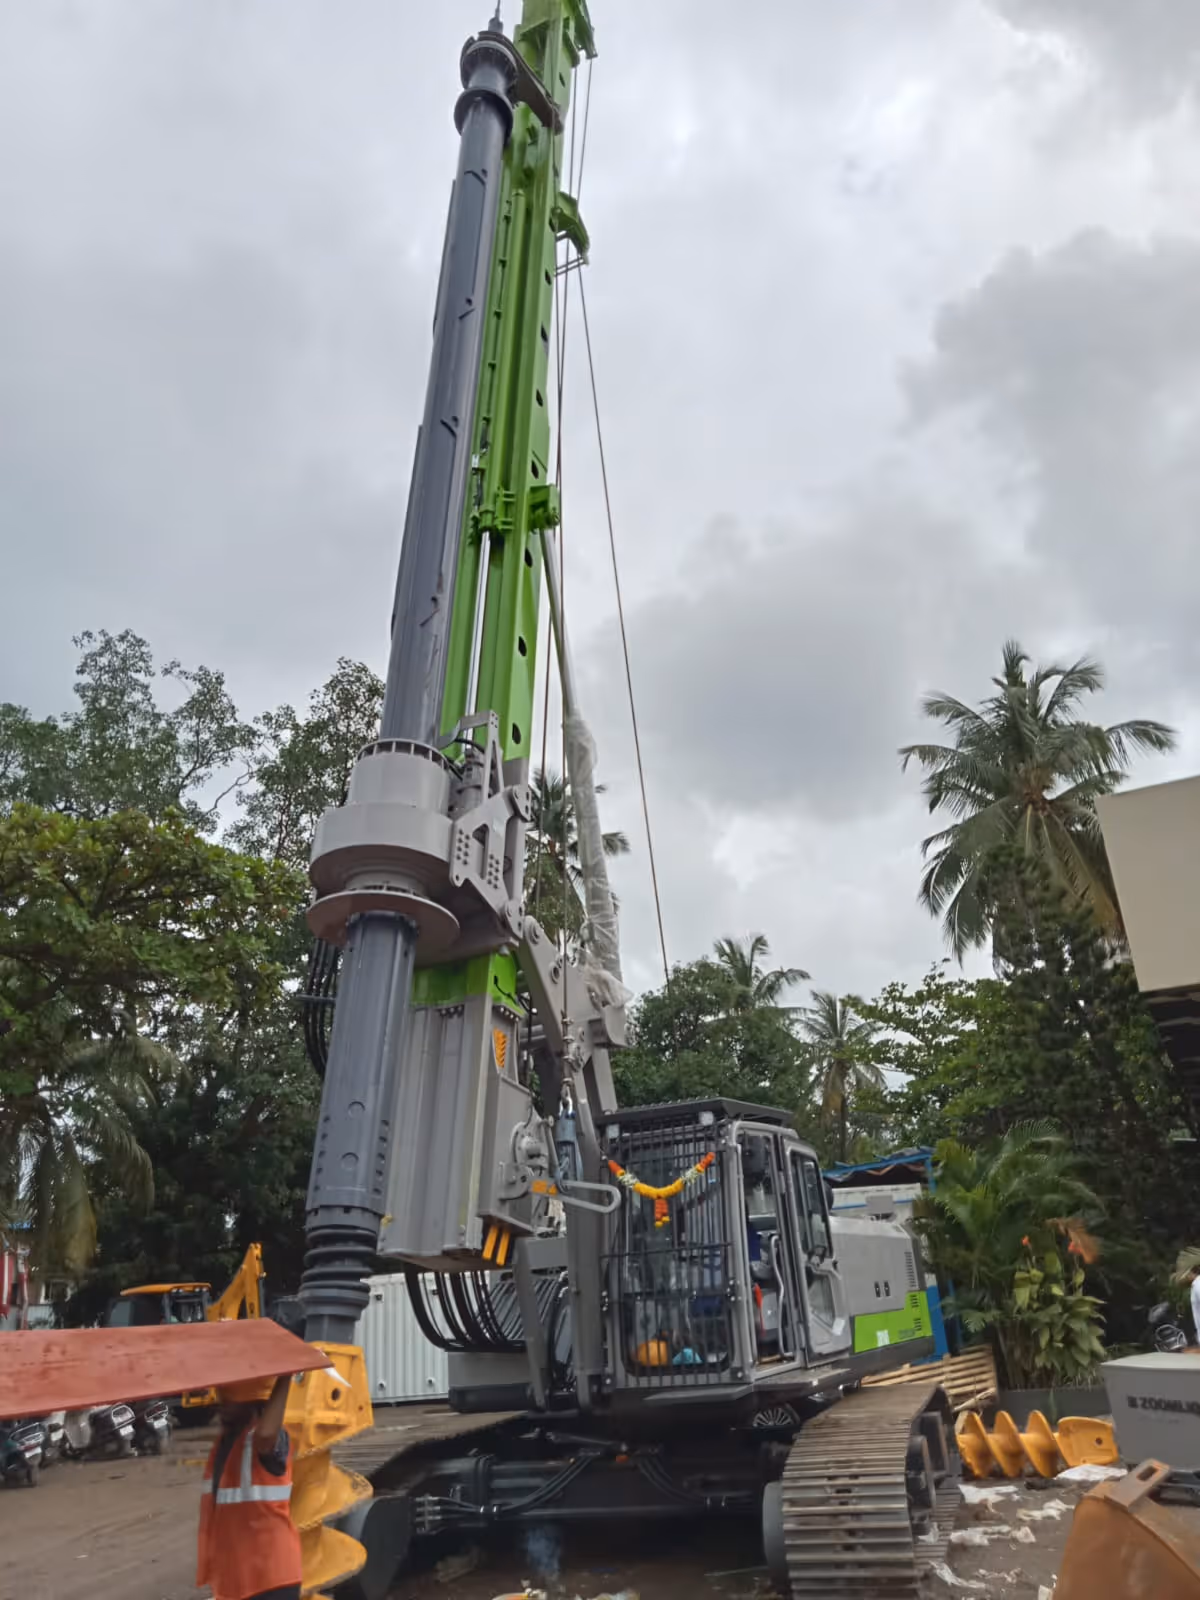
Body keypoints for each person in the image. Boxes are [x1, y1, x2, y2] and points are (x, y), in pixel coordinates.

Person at [197, 1373, 302, 1600]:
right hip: (238, 1576)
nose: (220, 1401)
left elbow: (266, 1434)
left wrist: (285, 1376)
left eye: (229, 1396)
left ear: (252, 1400)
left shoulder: (268, 1438)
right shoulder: (227, 1441)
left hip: (272, 1576)